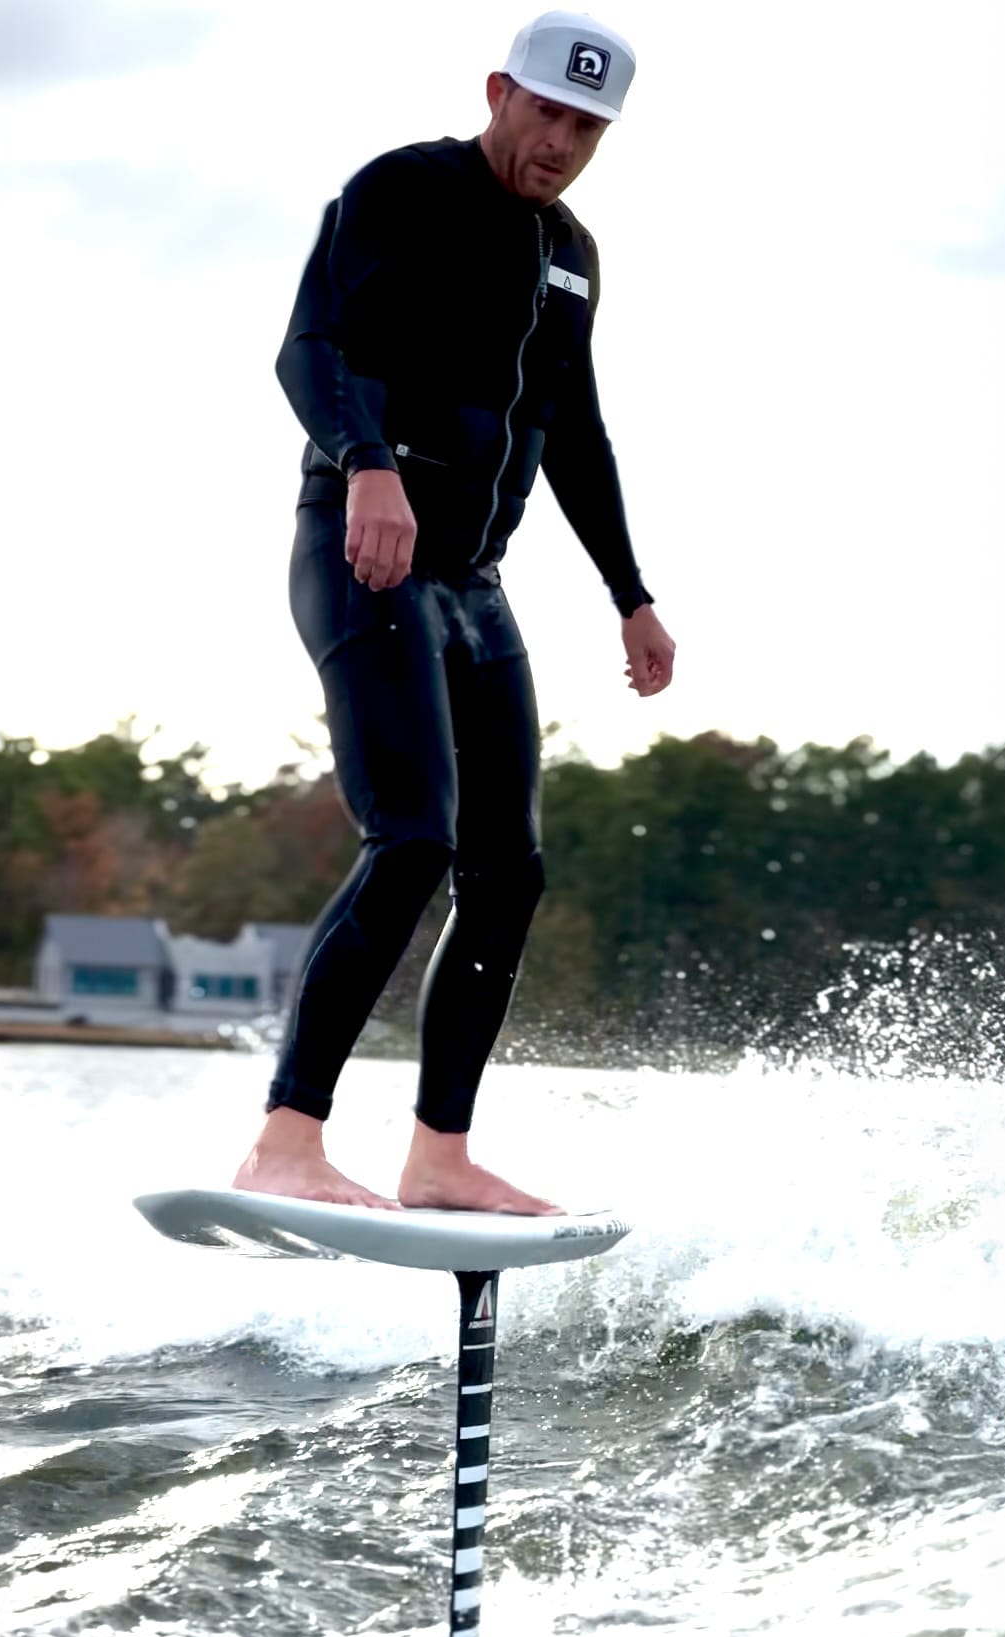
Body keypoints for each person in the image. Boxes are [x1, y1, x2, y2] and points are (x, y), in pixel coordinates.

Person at [233, 10, 676, 1214]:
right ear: (500, 92)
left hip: (476, 589)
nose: (563, 142)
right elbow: (307, 347)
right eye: (549, 112)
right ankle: (286, 1141)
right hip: (361, 548)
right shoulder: (401, 189)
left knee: (509, 870)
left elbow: (575, 431)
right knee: (414, 837)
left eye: (590, 126)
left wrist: (630, 594)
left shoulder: (571, 251)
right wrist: (367, 463)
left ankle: (438, 1155)